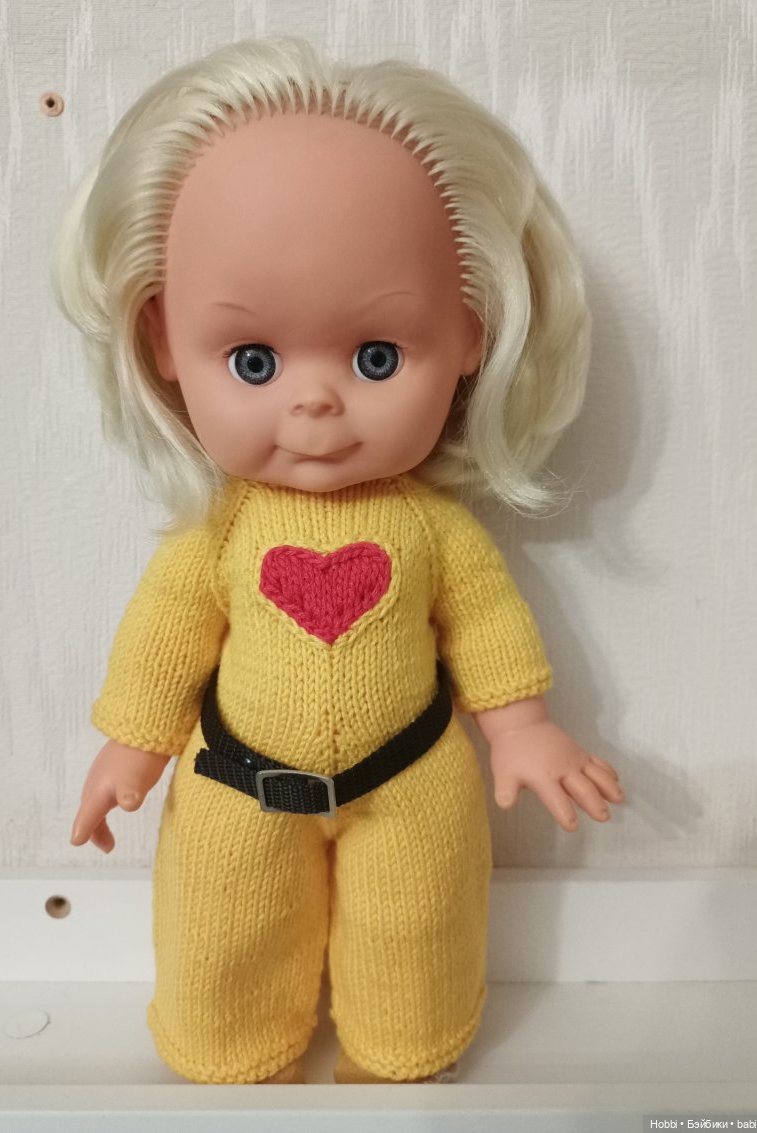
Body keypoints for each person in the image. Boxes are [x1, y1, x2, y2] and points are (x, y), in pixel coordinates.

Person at [57, 37, 624, 1085]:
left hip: (410, 780)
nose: (314, 401)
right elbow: (165, 638)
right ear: (164, 342)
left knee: (420, 932)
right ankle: (228, 1042)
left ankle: (403, 1046)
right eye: (254, 360)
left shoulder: (434, 530)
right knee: (221, 935)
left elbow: (486, 623)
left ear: (468, 335)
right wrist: (130, 748)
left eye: (375, 356)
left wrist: (521, 726)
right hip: (236, 783)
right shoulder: (218, 534)